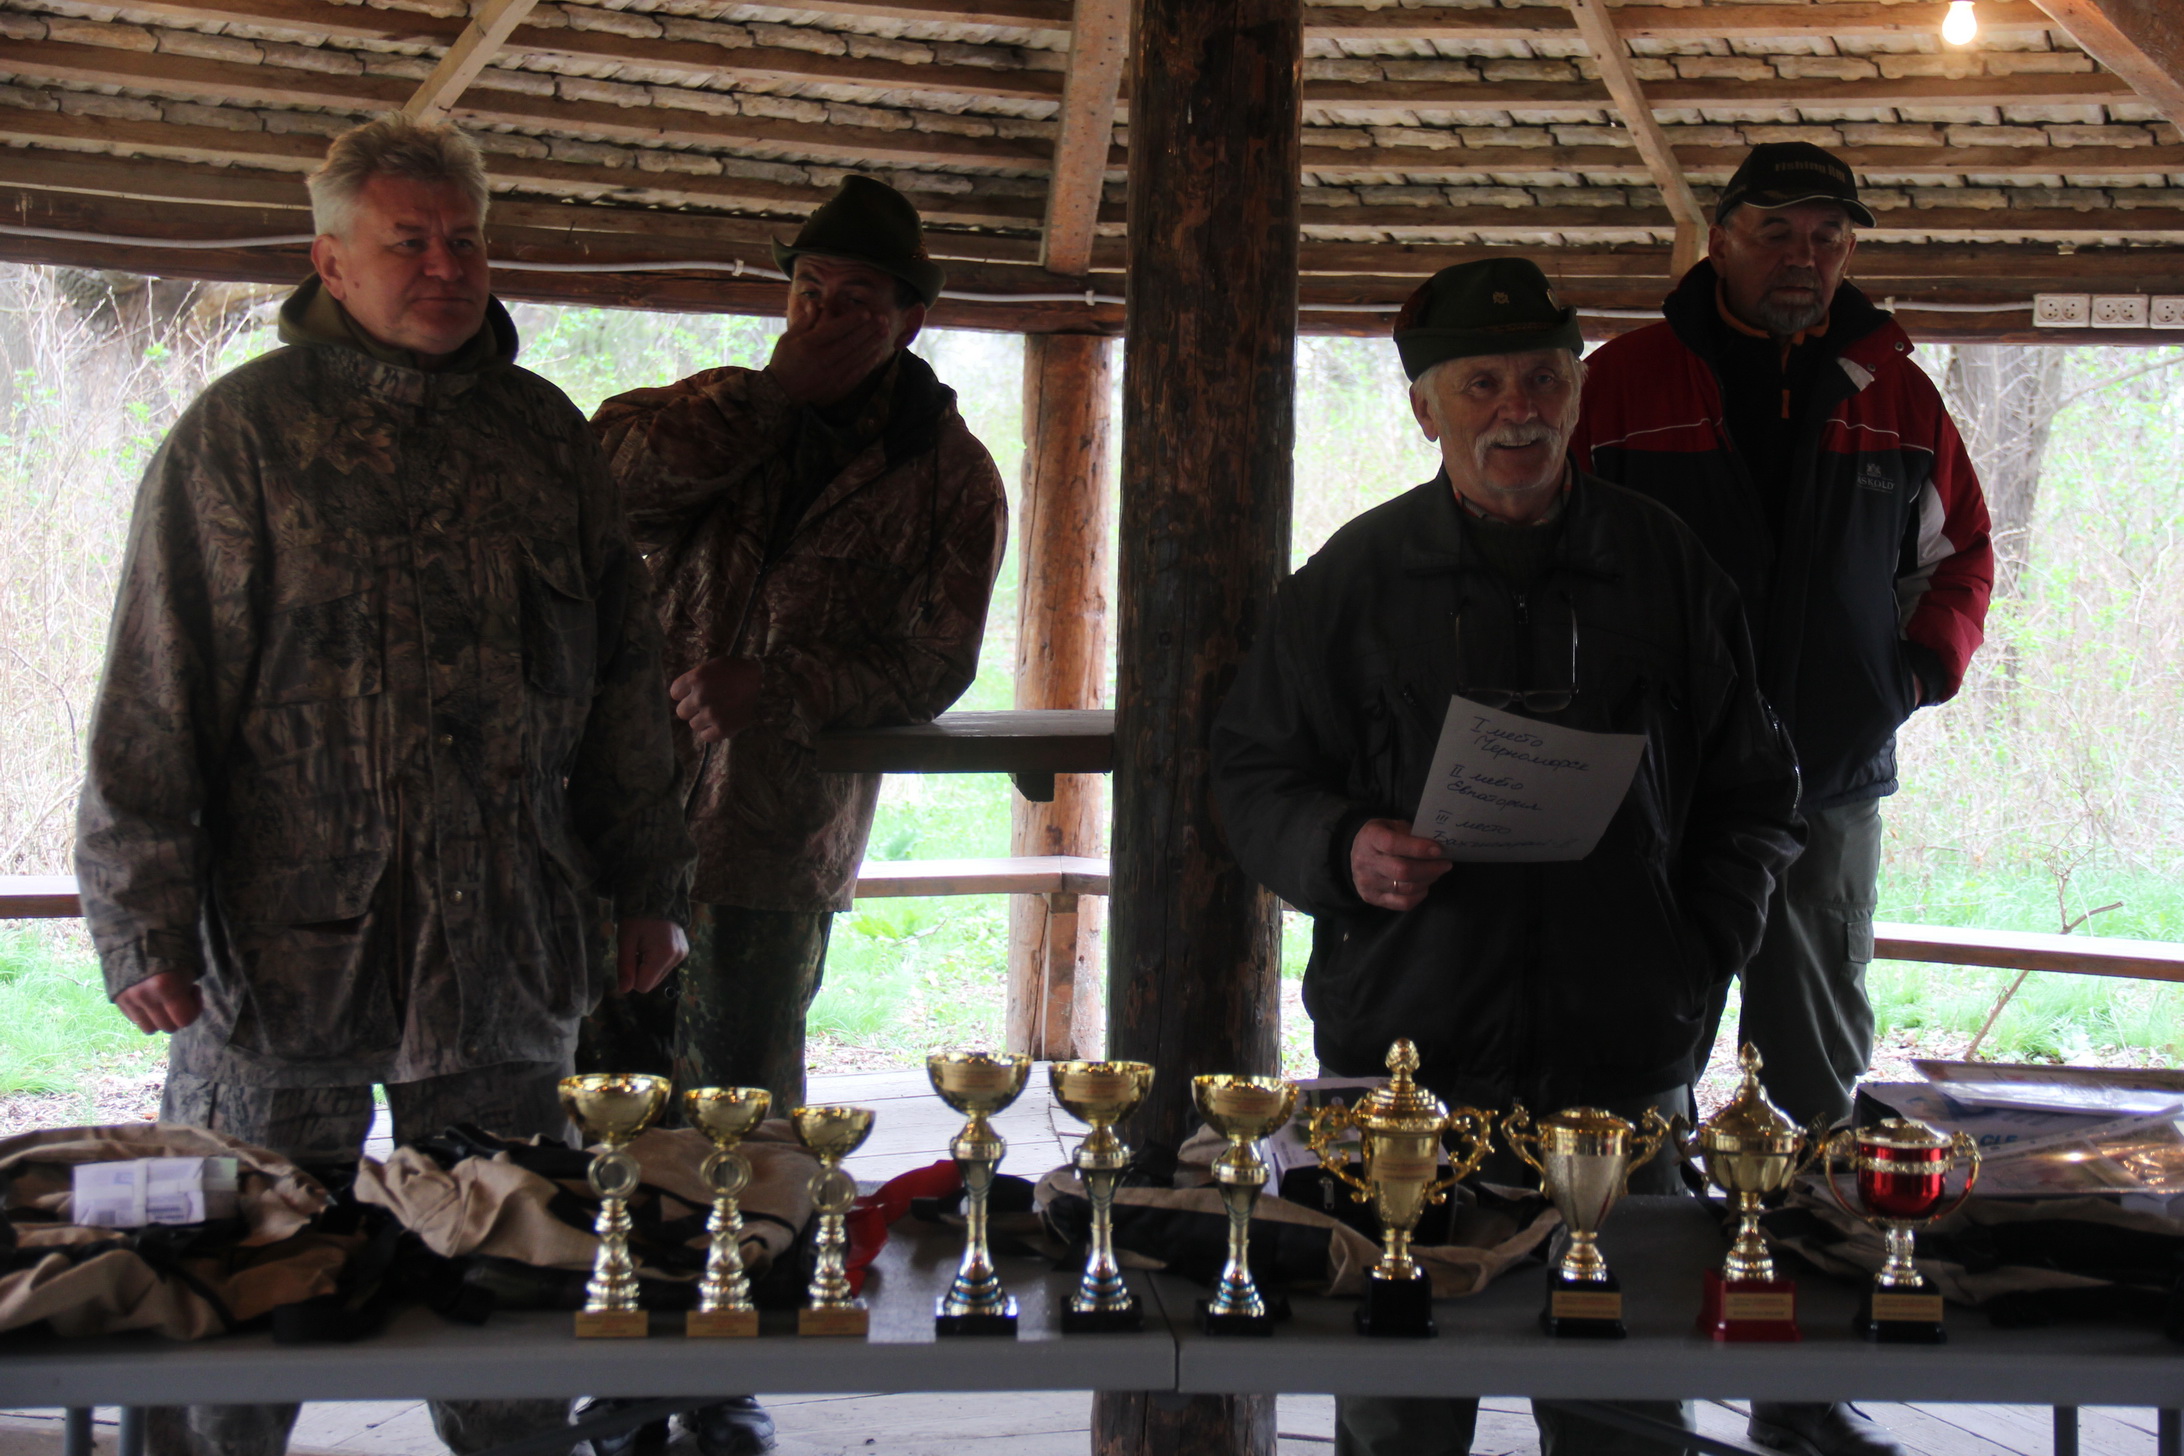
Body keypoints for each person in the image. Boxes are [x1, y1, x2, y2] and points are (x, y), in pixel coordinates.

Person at [74, 115, 694, 1456]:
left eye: (465, 240)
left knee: (514, 1300)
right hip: (278, 959)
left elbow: (627, 688)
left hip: (503, 950)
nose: (445, 267)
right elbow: (156, 692)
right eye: (408, 242)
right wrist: (139, 916)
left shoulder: (546, 440)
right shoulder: (241, 439)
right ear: (332, 263)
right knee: (232, 1298)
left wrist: (649, 884)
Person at [1212, 259, 1804, 1456]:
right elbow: (1251, 773)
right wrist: (1342, 848)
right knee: (1399, 1417)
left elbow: (1757, 793)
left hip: (1620, 1083)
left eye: (1543, 377)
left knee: (1625, 1417)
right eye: (1480, 383)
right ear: (1425, 409)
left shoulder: (1666, 567)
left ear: (1579, 392)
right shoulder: (1353, 581)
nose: (1517, 410)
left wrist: (1693, 956)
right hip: (1408, 1084)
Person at [1572, 143, 1992, 1456]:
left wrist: (1910, 674)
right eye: (1776, 230)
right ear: (1719, 236)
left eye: (1828, 235)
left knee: (1813, 1084)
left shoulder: (1896, 392)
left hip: (1827, 782)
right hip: (1653, 795)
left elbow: (1963, 554)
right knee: (1637, 1070)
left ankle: (1800, 1399)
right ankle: (1630, 1402)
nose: (1804, 255)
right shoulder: (1624, 382)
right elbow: (1550, 545)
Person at [574, 175, 1006, 1456]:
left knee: (743, 1115)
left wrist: (786, 685)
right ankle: (614, 1352)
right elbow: (605, 489)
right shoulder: (712, 411)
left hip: (773, 841)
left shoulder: (949, 474)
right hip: (622, 827)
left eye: (857, 298)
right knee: (608, 1099)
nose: (824, 313)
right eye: (809, 290)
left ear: (910, 320)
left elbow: (936, 660)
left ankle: (725, 1379)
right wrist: (774, 399)